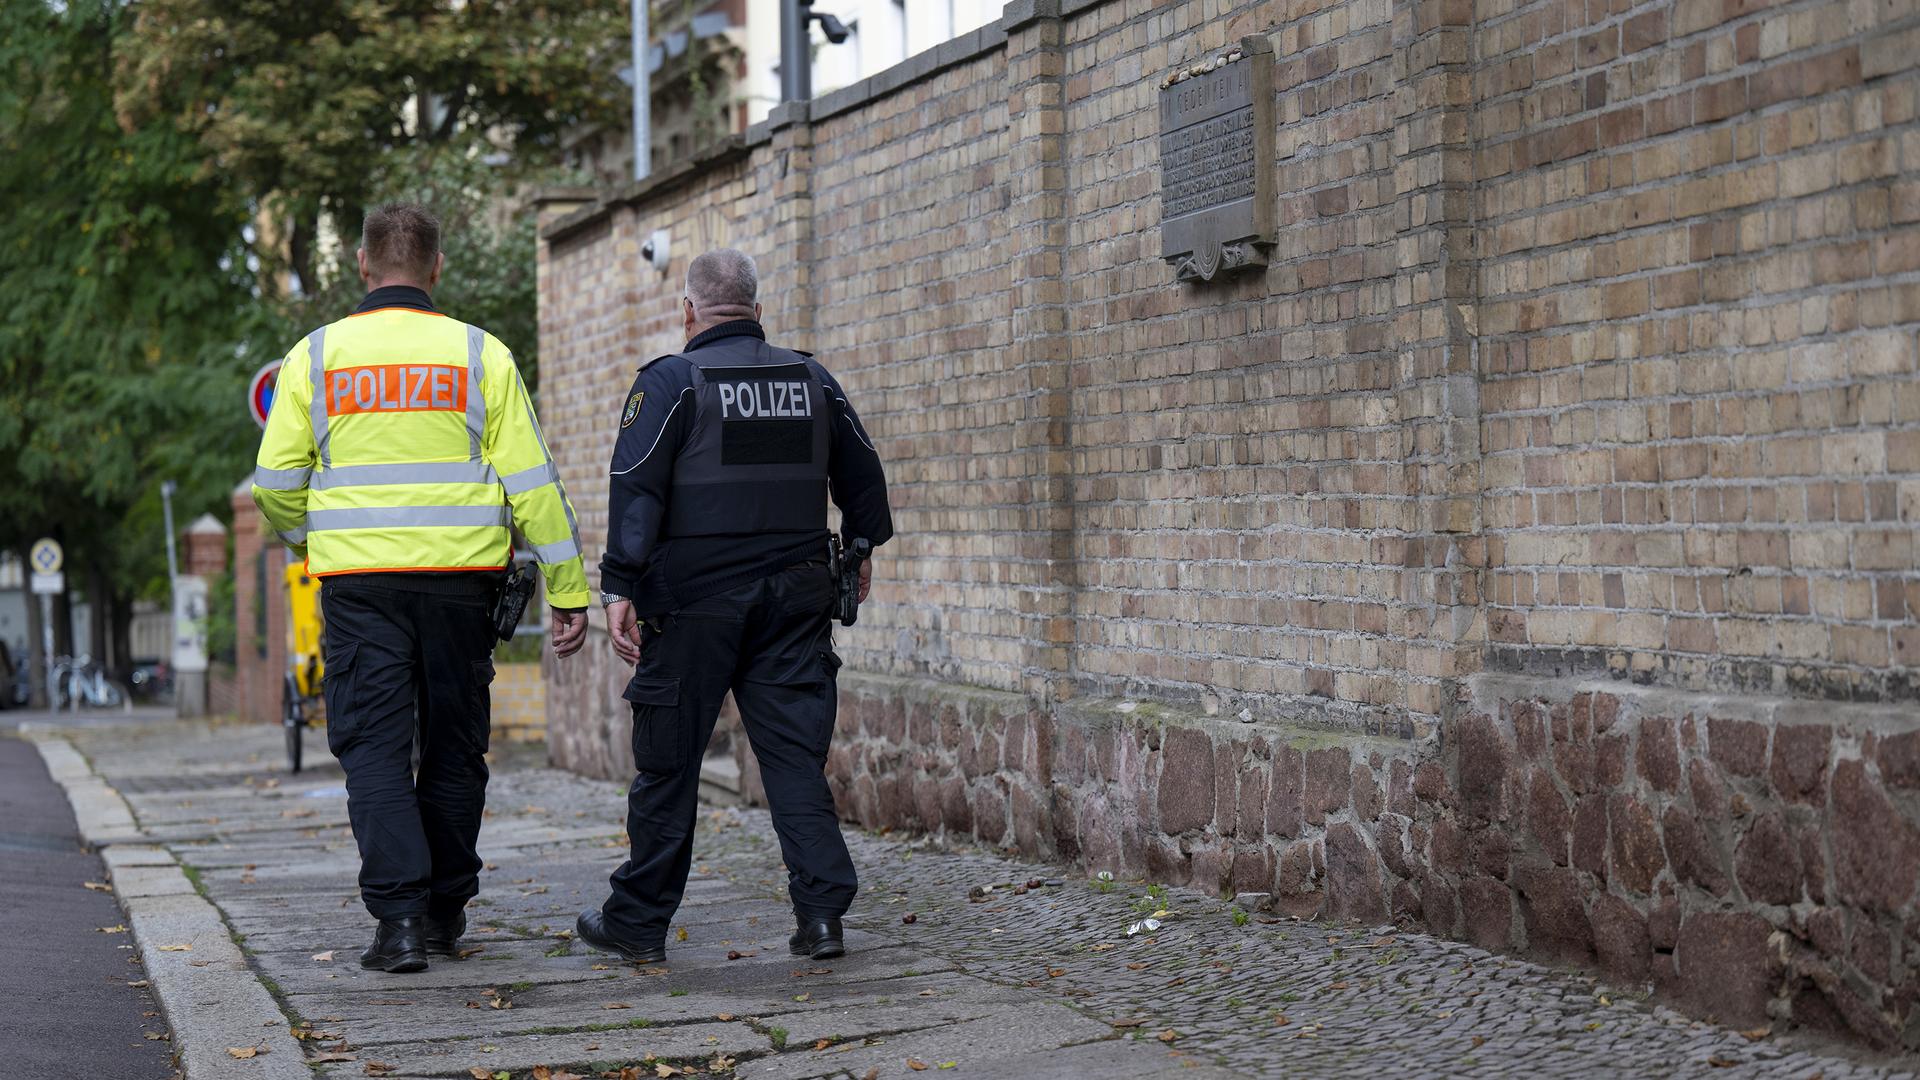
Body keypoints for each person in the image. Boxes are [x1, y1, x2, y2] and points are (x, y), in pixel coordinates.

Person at [251, 203, 591, 973]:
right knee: (454, 745)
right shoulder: (479, 355)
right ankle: (443, 914)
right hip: (460, 587)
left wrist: (317, 538)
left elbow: (274, 486)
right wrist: (571, 589)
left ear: (364, 267)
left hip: (360, 587)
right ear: (437, 268)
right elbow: (536, 485)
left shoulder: (316, 356)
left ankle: (399, 923)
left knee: (372, 748)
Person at [577, 248, 892, 964]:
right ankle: (821, 920)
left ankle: (638, 923)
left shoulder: (672, 383)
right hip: (796, 598)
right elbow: (863, 477)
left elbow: (637, 488)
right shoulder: (809, 378)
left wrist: (619, 584)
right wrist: (862, 547)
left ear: (688, 311)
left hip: (694, 606)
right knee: (790, 760)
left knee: (669, 765)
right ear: (756, 307)